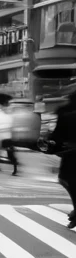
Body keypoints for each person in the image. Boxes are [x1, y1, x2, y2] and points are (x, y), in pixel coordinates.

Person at [49, 87, 76, 230]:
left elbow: (57, 136)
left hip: (71, 155)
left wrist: (53, 147)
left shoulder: (66, 115)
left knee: (67, 180)